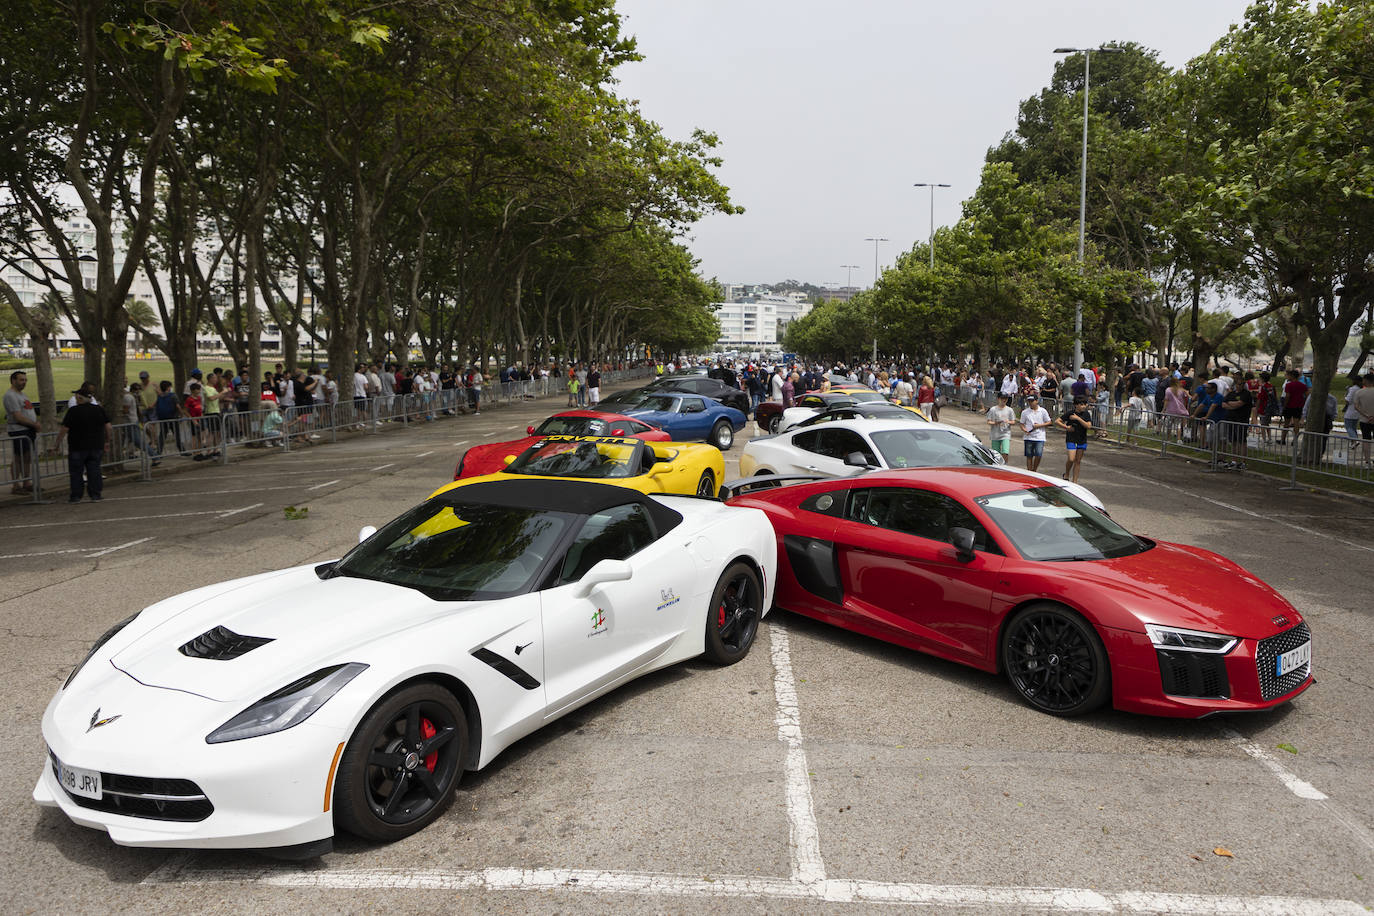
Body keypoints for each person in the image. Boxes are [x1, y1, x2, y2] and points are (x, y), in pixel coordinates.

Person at [54, 387, 112, 502]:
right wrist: (107, 441)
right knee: (94, 470)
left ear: (80, 398)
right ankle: (95, 494)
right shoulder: (99, 409)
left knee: (76, 472)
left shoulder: (73, 411)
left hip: (77, 446)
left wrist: (57, 443)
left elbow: (64, 429)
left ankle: (76, 495)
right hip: (96, 445)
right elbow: (108, 426)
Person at [6, 370, 39, 494]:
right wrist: (35, 424)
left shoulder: (22, 394)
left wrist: (34, 424)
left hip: (28, 430)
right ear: (13, 380)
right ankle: (16, 485)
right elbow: (18, 417)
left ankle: (26, 482)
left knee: (27, 457)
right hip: (18, 430)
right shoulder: (10, 396)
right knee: (18, 458)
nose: (24, 382)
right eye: (21, 380)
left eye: (25, 380)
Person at [1054, 395, 1094, 483]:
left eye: (1085, 404)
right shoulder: (1070, 413)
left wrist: (1078, 419)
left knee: (1078, 461)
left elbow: (1088, 426)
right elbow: (1057, 421)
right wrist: (1066, 427)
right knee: (1071, 458)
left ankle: (1075, 481)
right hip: (1071, 438)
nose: (1083, 406)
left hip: (1082, 439)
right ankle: (1067, 473)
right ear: (1076, 405)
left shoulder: (1086, 414)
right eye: (1081, 404)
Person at [1219, 380, 1254, 469]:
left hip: (1241, 420)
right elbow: (1223, 404)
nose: (1239, 386)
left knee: (1242, 441)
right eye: (1238, 384)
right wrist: (1232, 405)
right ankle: (1234, 460)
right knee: (1233, 441)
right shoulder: (1231, 394)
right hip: (1230, 419)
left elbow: (1239, 404)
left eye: (1241, 384)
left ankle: (1243, 462)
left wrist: (1230, 404)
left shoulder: (1246, 394)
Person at [1019, 394, 1052, 472]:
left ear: (1037, 401)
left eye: (1032, 401)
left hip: (1040, 436)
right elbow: (1021, 423)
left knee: (1038, 454)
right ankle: (1029, 471)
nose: (1030, 403)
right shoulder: (1025, 412)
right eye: (1029, 401)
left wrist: (1039, 425)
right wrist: (1024, 430)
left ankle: (1034, 469)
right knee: (1029, 455)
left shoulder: (1042, 411)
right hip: (1029, 436)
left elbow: (1049, 422)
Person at [1350, 373, 1374, 466]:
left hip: (1364, 420)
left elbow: (1356, 406)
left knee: (1366, 440)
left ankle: (1367, 460)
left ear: (1365, 380)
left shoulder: (1359, 392)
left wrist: (1367, 415)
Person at [1280, 369, 1307, 444]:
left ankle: (1283, 439)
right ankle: (1295, 440)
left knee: (1286, 423)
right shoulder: (1302, 385)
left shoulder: (1288, 385)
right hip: (1298, 406)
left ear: (1292, 376)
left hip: (1289, 406)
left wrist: (1285, 405)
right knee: (1296, 423)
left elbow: (1287, 396)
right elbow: (1306, 394)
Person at [985, 391, 1015, 459]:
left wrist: (1008, 422)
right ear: (998, 399)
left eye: (1005, 398)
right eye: (1002, 398)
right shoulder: (993, 409)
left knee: (1005, 452)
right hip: (995, 434)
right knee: (996, 454)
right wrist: (996, 423)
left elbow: (1013, 421)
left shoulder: (1009, 410)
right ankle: (998, 465)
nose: (1004, 400)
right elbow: (989, 421)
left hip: (1005, 433)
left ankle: (1004, 465)